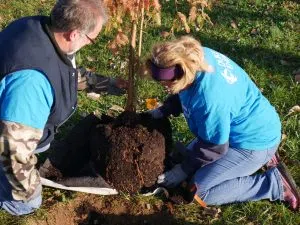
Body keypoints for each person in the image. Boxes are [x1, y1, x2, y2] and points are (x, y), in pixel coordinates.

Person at [0, 0, 127, 216]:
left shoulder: (38, 27)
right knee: (28, 204)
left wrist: (105, 84)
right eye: (91, 39)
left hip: (15, 110)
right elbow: (13, 153)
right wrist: (29, 190)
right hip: (10, 139)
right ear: (73, 34)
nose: (90, 43)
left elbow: (62, 72)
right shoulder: (32, 85)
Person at [147, 36, 299, 210]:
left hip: (252, 143)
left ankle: (273, 185)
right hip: (247, 123)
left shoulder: (209, 99)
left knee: (197, 191)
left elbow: (214, 146)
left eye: (166, 82)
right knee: (187, 162)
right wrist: (164, 110)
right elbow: (182, 91)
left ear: (183, 72)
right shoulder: (195, 56)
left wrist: (183, 169)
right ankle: (256, 160)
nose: (163, 86)